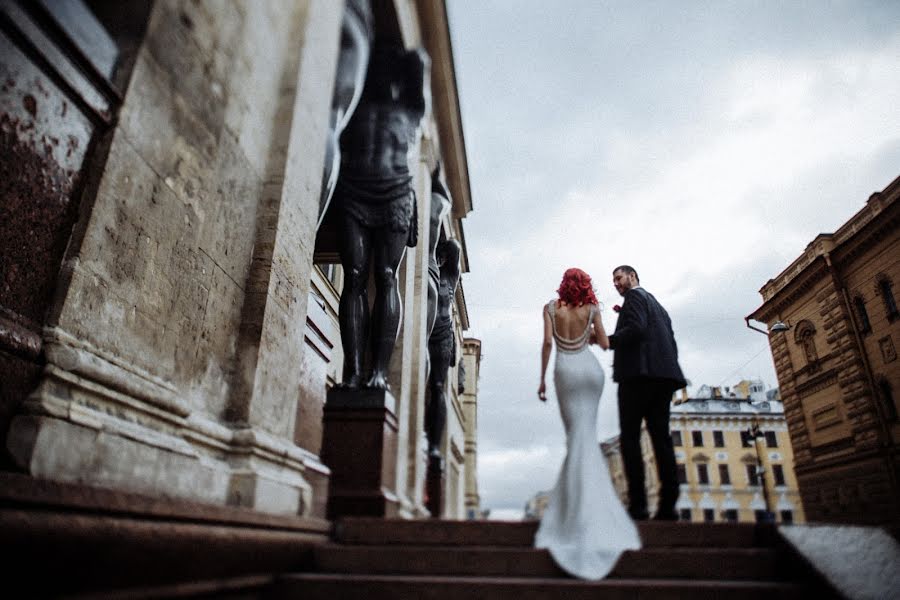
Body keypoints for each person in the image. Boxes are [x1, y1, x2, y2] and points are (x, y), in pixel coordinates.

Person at [535, 268, 641, 580]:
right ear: (585, 285)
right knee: (587, 437)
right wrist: (593, 333)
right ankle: (592, 512)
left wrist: (541, 380)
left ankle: (573, 514)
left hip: (565, 372)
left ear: (563, 285)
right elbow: (606, 344)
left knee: (575, 439)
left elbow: (545, 345)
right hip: (590, 371)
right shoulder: (593, 308)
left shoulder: (550, 309)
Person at [608, 265, 687, 521]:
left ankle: (638, 505)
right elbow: (671, 341)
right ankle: (668, 506)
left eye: (618, 278)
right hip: (663, 378)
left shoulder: (634, 297)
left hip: (637, 377)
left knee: (630, 439)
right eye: (614, 281)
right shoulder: (659, 306)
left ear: (632, 276)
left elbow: (636, 329)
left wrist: (609, 340)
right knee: (661, 440)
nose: (616, 284)